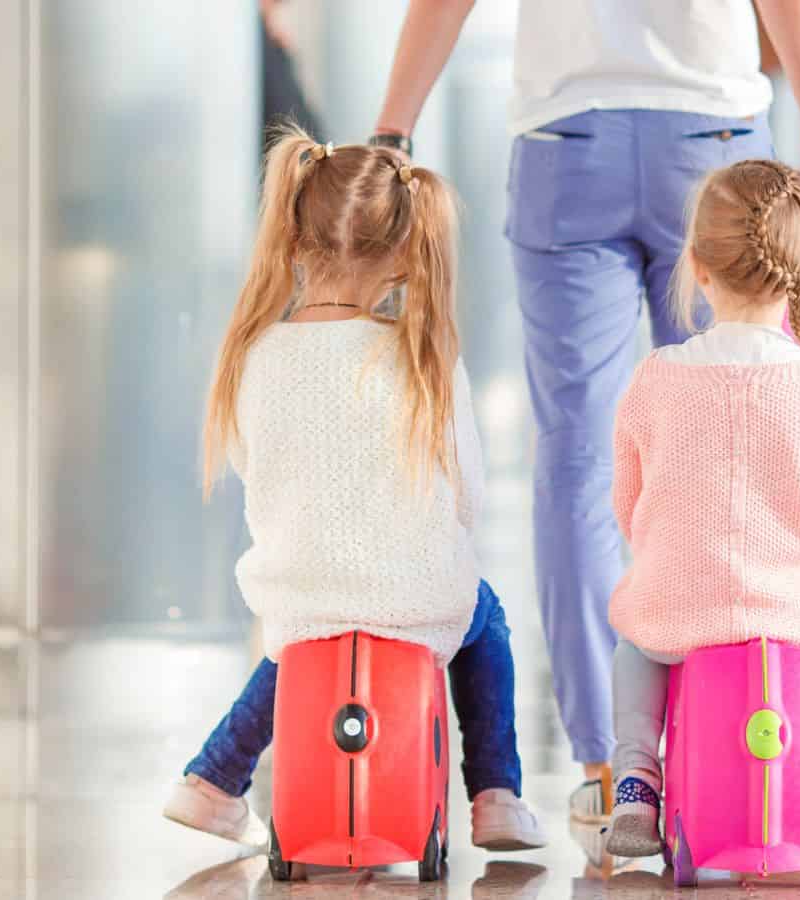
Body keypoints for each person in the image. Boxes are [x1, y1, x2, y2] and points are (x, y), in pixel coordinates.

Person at [370, 0, 800, 823]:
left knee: (576, 463)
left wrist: (393, 131)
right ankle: (736, 730)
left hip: (568, 144)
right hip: (715, 138)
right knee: (745, 427)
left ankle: (607, 764)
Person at [161, 127, 544, 852]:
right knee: (484, 620)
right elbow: (466, 492)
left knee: (297, 643)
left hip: (299, 594)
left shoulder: (256, 356)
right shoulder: (423, 355)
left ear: (294, 234)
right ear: (405, 251)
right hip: (418, 596)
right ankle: (496, 793)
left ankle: (213, 782)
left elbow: (255, 467)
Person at [601, 160, 800, 869]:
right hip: (796, 613)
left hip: (683, 608)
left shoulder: (656, 379)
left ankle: (638, 780)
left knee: (633, 641)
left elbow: (628, 503)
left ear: (698, 267)